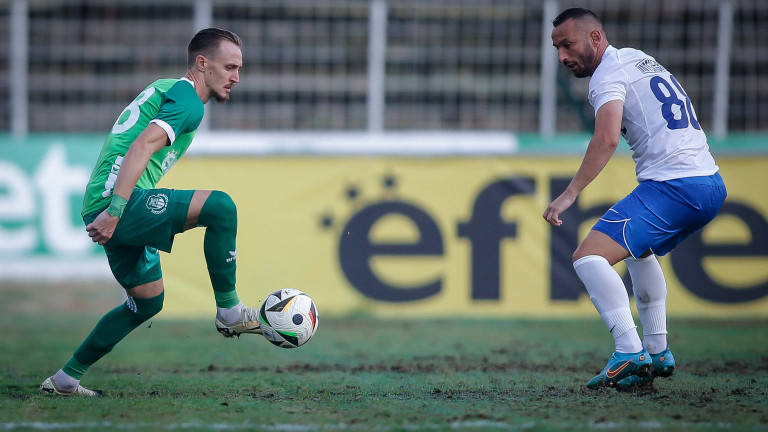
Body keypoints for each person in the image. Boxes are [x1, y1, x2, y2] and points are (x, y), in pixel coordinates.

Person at [40, 28, 262, 397]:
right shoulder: (189, 101)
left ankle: (65, 380)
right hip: (118, 202)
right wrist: (114, 211)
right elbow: (141, 146)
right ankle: (230, 311)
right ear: (202, 64)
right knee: (221, 207)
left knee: (147, 301)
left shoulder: (168, 87)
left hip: (108, 201)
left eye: (239, 69)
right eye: (230, 67)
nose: (236, 77)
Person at [544, 8, 726, 390]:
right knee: (638, 251)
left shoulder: (607, 74)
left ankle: (628, 351)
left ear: (595, 38)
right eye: (557, 47)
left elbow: (607, 138)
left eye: (568, 44)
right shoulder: (637, 57)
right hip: (709, 183)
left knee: (588, 257)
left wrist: (570, 192)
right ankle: (657, 350)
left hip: (674, 185)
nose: (562, 55)